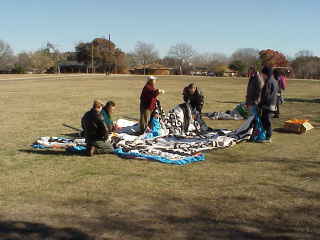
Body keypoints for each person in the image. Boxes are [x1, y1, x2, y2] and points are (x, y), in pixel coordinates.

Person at [259, 66, 279, 143]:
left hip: (268, 105)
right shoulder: (274, 80)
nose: (262, 76)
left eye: (263, 74)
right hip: (272, 104)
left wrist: (260, 104)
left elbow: (266, 95)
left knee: (267, 121)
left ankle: (268, 137)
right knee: (266, 120)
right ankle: (265, 135)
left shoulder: (269, 82)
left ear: (266, 74)